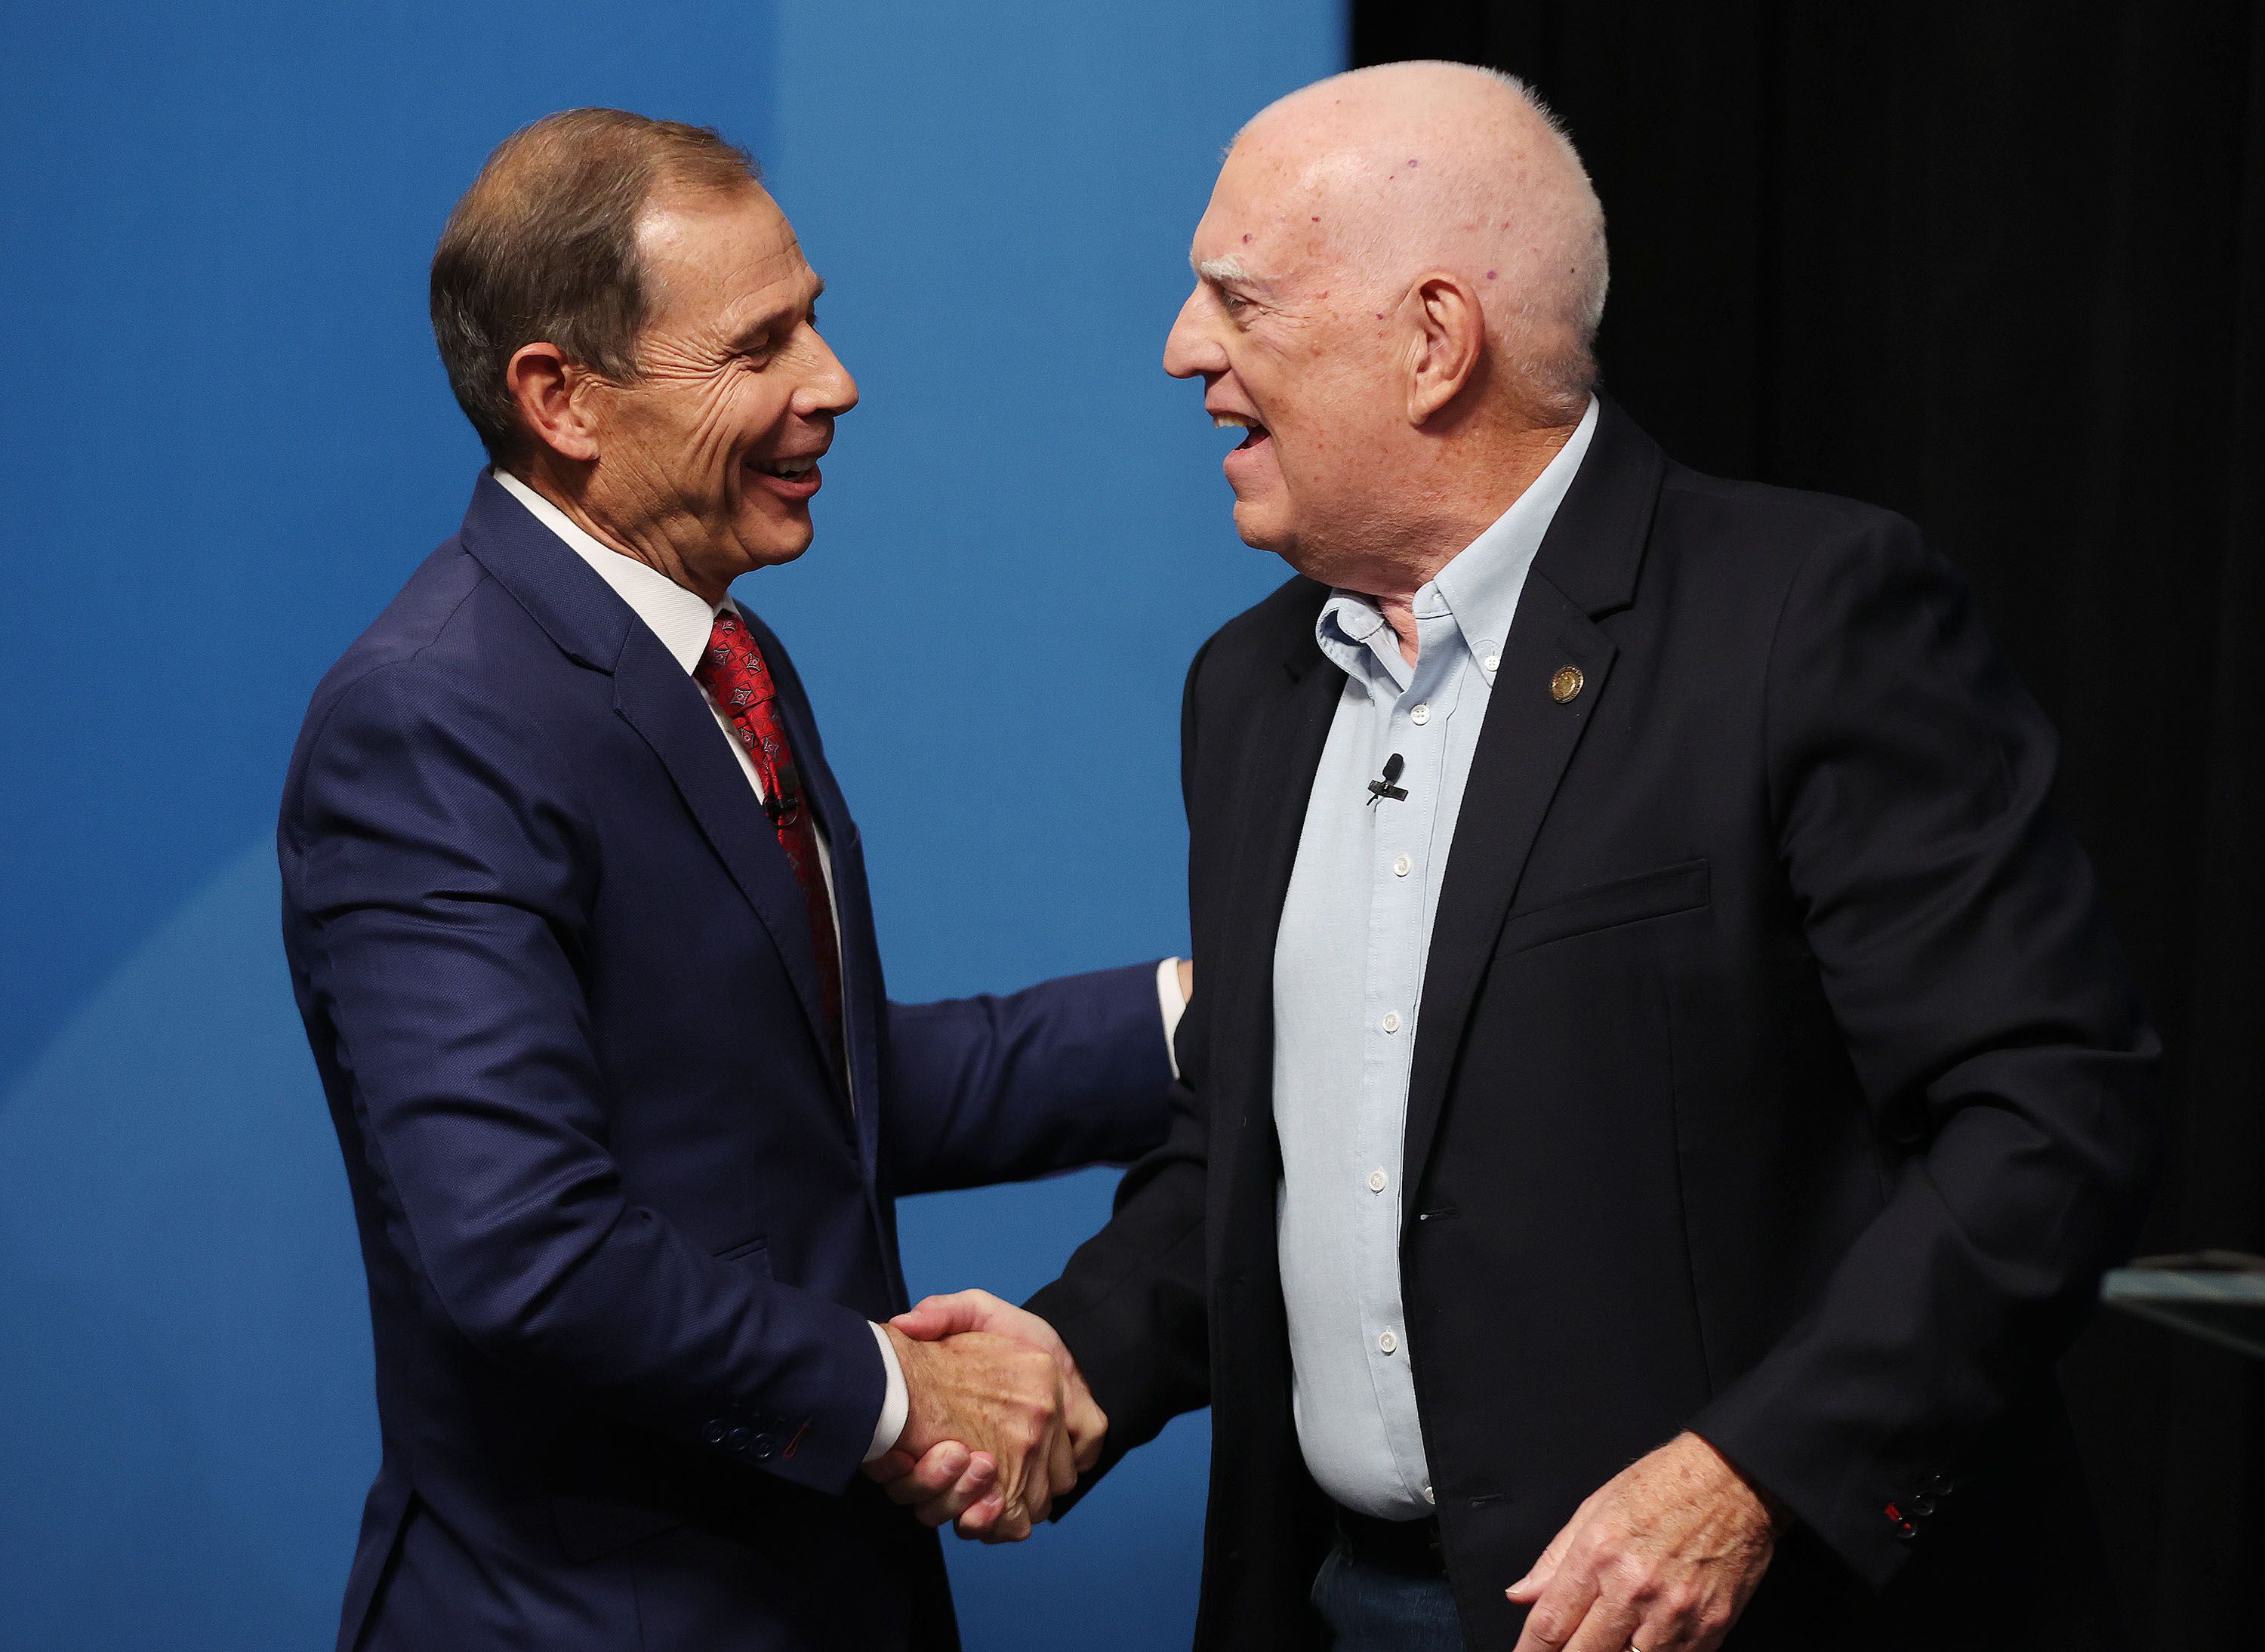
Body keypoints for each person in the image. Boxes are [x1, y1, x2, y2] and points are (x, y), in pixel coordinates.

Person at [880, 62, 2157, 1652]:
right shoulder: (1248, 692)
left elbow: (2054, 1119)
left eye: (1237, 298)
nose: (1184, 349)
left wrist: (1751, 1475)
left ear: (1433, 339)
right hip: (1357, 1603)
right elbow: (1250, 1150)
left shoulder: (1802, 615)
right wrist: (1078, 1357)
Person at [276, 109, 1187, 1652]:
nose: (832, 381)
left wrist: (1196, 1020)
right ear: (561, 396)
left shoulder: (722, 652)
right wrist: (900, 1392)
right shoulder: (431, 717)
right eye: (759, 344)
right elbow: (522, 1245)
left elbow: (793, 1094)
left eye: (813, 316)